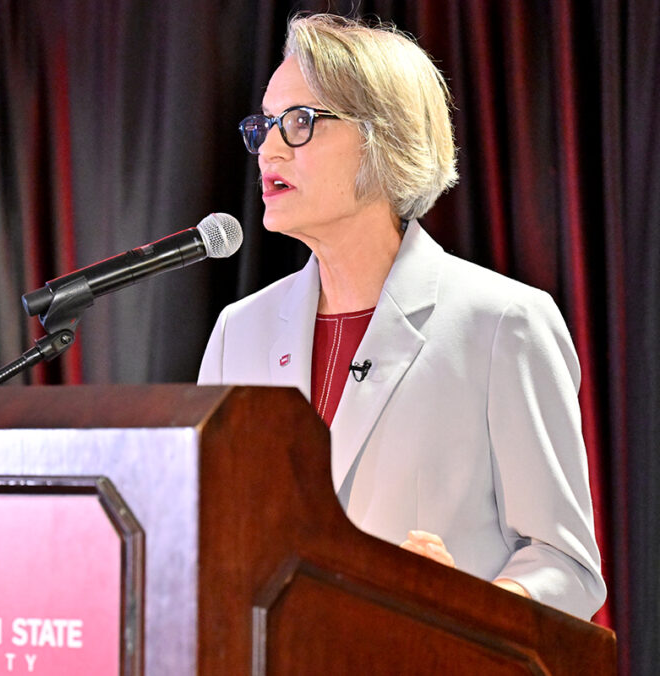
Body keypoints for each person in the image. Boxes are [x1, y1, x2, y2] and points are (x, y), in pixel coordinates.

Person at [197, 13, 605, 620]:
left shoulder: (504, 323)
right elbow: (203, 533)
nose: (269, 149)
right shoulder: (240, 331)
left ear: (382, 137)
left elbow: (565, 566)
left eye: (300, 123)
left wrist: (462, 602)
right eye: (264, 126)